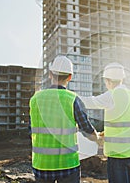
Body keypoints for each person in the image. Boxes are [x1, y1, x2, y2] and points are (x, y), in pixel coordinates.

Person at [29, 55, 99, 183]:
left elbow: (31, 129)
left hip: (42, 164)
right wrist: (97, 138)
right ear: (70, 77)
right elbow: (87, 129)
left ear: (50, 74)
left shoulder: (35, 100)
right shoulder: (72, 99)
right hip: (68, 165)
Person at [80, 62, 130, 183]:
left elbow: (89, 102)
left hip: (117, 155)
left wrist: (70, 96)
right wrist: (107, 132)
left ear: (108, 81)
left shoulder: (113, 95)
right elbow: (126, 125)